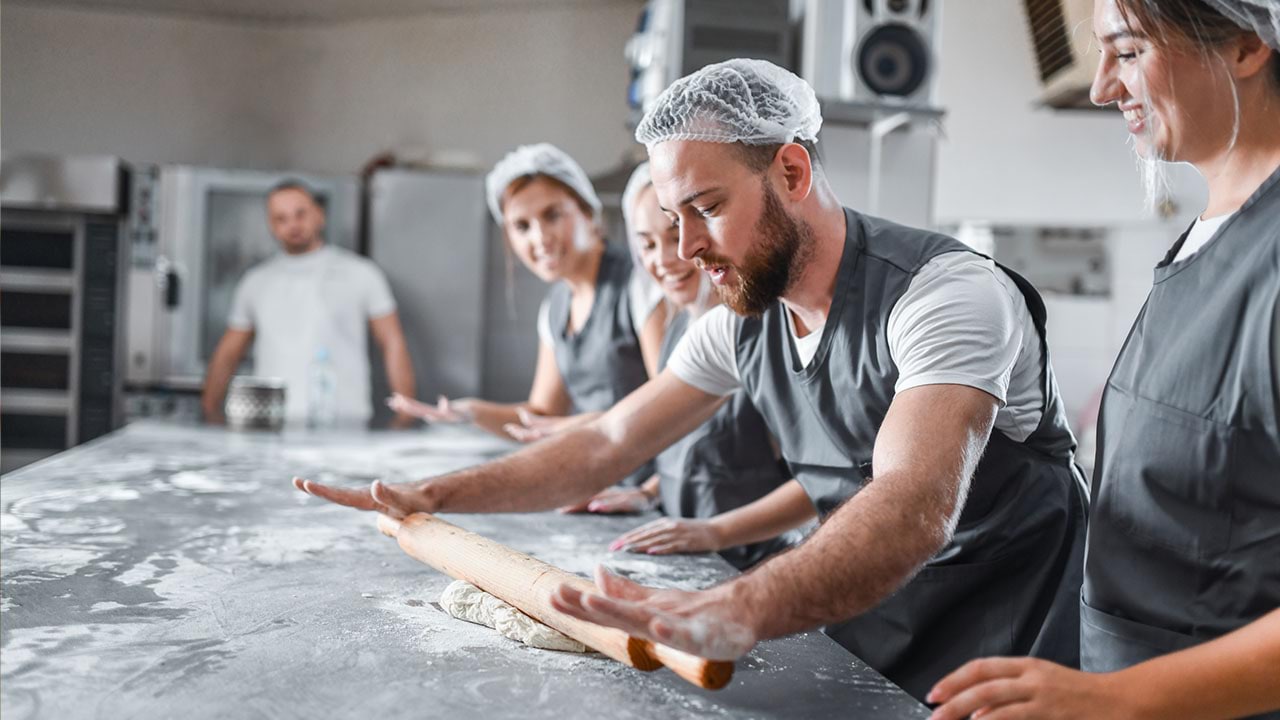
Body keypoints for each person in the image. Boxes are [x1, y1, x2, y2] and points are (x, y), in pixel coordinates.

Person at [294, 59, 1087, 700]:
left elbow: (914, 502)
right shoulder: (745, 325)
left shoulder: (944, 295)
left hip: (1007, 636)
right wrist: (439, 494)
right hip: (872, 619)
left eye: (705, 208)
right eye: (672, 218)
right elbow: (608, 439)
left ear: (792, 170)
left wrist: (737, 607)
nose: (685, 248)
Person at [927, 1, 1280, 718]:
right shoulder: (1204, 241)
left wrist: (1119, 698)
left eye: (1126, 51)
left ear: (1247, 47)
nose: (1101, 89)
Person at [567, 162, 817, 570]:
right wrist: (649, 493)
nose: (667, 258)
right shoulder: (676, 327)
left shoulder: (761, 333)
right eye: (646, 244)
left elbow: (817, 484)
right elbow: (685, 451)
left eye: (674, 236)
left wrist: (716, 532)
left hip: (760, 564)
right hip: (693, 558)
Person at [388, 144, 665, 485]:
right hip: (603, 487)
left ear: (587, 211)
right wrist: (470, 412)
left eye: (552, 215)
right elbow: (543, 414)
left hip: (659, 489)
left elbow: (671, 407)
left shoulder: (641, 283)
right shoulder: (555, 309)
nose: (540, 238)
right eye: (521, 226)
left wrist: (571, 427)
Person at [202, 180, 416, 427]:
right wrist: (209, 408)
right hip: (272, 424)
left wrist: (406, 413)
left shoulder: (362, 274)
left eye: (300, 214)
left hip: (346, 423)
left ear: (319, 215)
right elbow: (229, 353)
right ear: (271, 225)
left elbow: (392, 342)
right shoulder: (255, 282)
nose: (292, 224)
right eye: (281, 218)